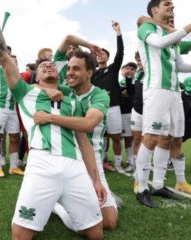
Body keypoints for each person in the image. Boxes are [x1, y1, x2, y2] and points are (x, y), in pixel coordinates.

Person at [0, 1, 106, 239]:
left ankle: (57, 207)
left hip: (74, 164)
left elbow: (83, 140)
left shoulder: (72, 97)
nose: (49, 66)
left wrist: (96, 180)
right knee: (20, 235)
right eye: (43, 66)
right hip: (41, 164)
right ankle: (51, 203)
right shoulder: (24, 91)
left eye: (52, 65)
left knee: (96, 234)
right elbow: (3, 55)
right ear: (35, 76)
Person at [135, 0, 191, 208]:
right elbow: (159, 43)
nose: (172, 7)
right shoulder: (147, 28)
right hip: (156, 90)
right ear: (155, 10)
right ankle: (141, 187)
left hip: (173, 92)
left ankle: (160, 184)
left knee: (170, 137)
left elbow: (179, 65)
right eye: (167, 4)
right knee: (151, 137)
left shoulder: (173, 40)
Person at [33, 49, 119, 231]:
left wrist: (50, 117)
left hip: (92, 156)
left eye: (76, 69)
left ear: (89, 73)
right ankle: (58, 201)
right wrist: (46, 90)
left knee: (109, 222)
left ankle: (58, 203)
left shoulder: (100, 95)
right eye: (69, 68)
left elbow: (88, 124)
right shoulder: (65, 90)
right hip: (69, 155)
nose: (69, 73)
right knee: (86, 224)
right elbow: (35, 84)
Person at [91, 21, 124, 173]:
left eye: (103, 53)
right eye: (97, 54)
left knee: (116, 137)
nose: (100, 56)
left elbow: (120, 53)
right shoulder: (92, 74)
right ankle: (101, 161)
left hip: (114, 108)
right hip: (97, 108)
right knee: (100, 137)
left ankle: (117, 164)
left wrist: (118, 33)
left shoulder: (113, 69)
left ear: (107, 57)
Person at [0, 54, 24, 177]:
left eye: (15, 61)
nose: (14, 63)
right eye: (12, 60)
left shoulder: (17, 74)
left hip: (12, 109)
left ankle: (13, 167)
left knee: (15, 138)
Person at [119, 62, 137, 172]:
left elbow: (130, 93)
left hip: (135, 112)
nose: (129, 70)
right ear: (122, 71)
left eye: (132, 69)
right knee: (127, 138)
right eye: (127, 68)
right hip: (122, 113)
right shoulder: (117, 83)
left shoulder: (138, 82)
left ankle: (138, 161)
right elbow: (123, 93)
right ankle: (131, 162)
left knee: (138, 138)